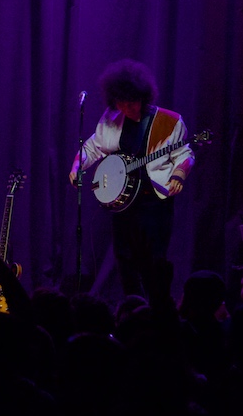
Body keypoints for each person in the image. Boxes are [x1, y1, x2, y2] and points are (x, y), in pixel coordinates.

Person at [68, 58, 195, 299]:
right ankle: (132, 308)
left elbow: (185, 153)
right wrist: (78, 165)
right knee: (124, 258)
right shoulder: (111, 118)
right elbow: (93, 147)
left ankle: (158, 309)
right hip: (124, 204)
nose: (128, 108)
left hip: (154, 203)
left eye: (132, 102)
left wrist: (179, 174)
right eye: (122, 103)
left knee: (154, 261)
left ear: (143, 97)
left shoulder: (169, 122)